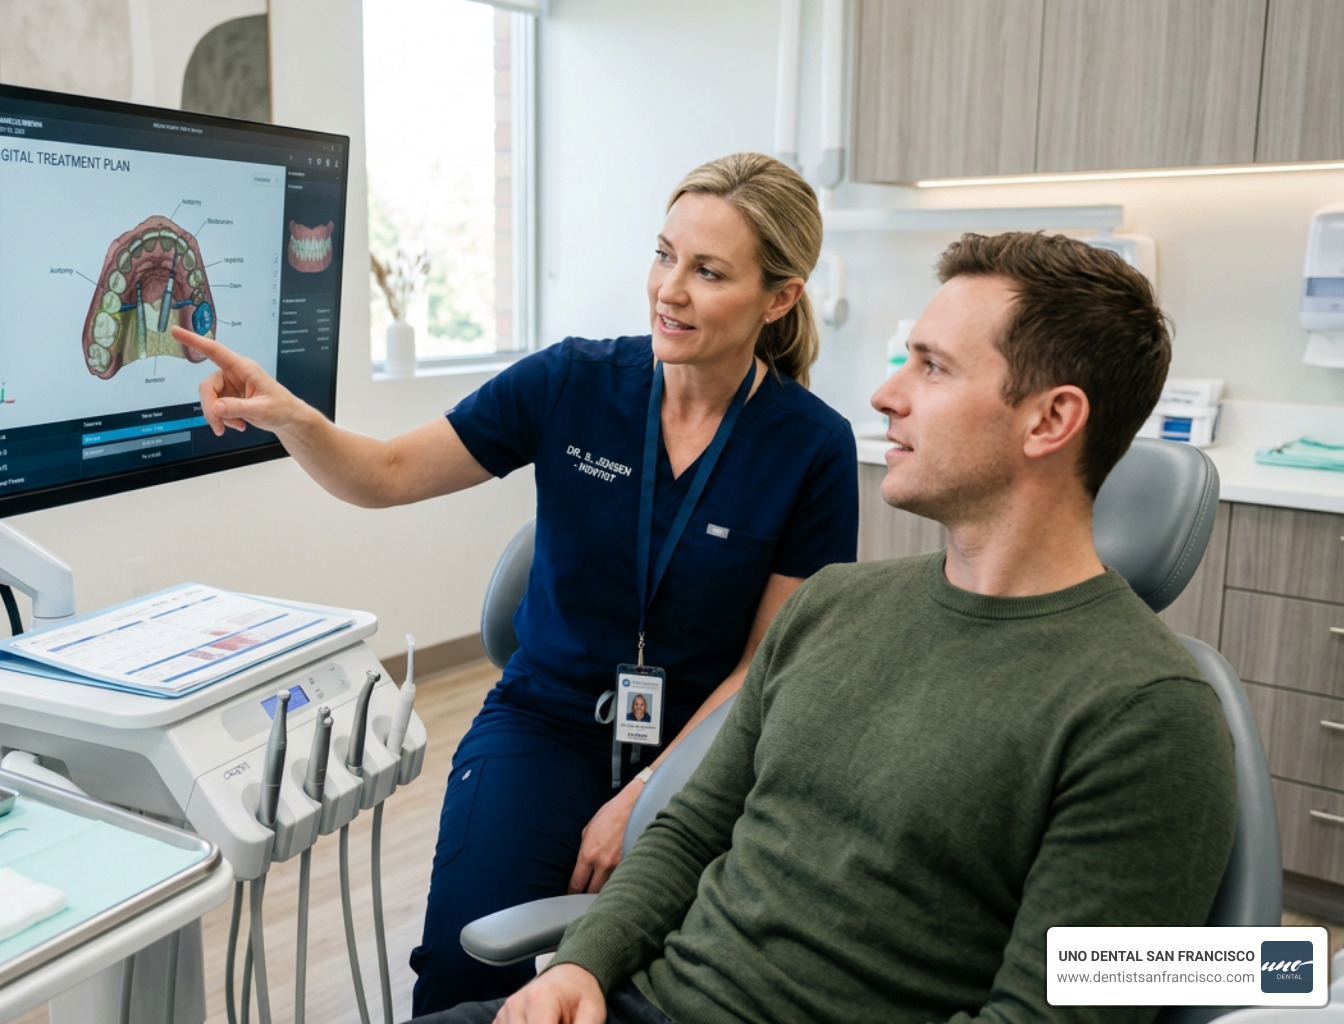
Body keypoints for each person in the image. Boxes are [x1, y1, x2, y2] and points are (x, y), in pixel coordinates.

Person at [410, 231, 1240, 1024]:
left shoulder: (1151, 716)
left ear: (1050, 421)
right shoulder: (830, 607)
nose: (886, 395)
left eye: (933, 368)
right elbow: (692, 828)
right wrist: (583, 964)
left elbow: (1050, 1015)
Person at [171, 152, 859, 1012]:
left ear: (780, 297)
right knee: (464, 970)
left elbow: (767, 665)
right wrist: (293, 418)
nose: (668, 289)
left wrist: (648, 795)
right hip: (547, 721)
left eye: (708, 271)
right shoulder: (574, 381)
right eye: (663, 254)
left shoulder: (812, 448)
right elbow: (383, 472)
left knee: (667, 988)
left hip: (703, 751)